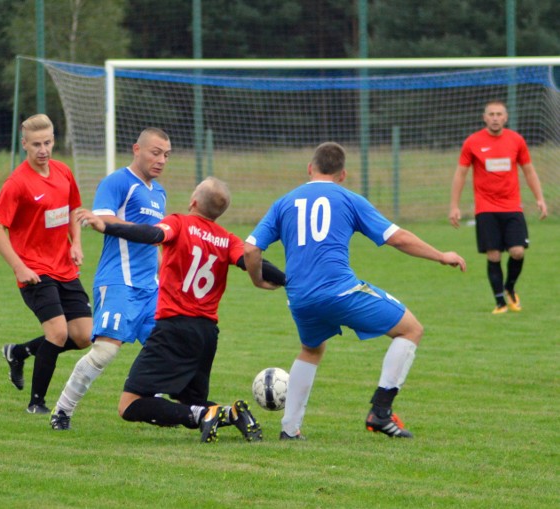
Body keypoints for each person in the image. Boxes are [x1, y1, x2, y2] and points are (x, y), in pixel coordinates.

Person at [244, 142, 466, 440]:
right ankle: (381, 412)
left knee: (311, 349)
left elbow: (250, 249)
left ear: (310, 169)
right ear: (343, 174)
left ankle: (289, 430)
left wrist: (258, 280)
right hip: (341, 292)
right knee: (411, 329)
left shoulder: (284, 202)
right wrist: (440, 255)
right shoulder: (349, 199)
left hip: (299, 298)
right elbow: (397, 238)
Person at [77, 177, 287, 443]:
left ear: (194, 201)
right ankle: (232, 414)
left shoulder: (178, 223)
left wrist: (106, 225)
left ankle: (203, 416)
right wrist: (288, 280)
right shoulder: (227, 239)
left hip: (173, 327)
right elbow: (254, 261)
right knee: (189, 400)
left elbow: (152, 234)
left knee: (129, 405)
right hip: (206, 334)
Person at [49, 128, 171, 431]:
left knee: (165, 347)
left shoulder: (159, 193)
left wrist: (165, 274)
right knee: (105, 350)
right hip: (118, 281)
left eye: (166, 155)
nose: (161, 160)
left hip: (150, 288)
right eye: (155, 152)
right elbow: (102, 220)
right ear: (137, 149)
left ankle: (152, 403)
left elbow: (155, 241)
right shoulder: (118, 182)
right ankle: (62, 410)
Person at [0, 113, 92, 414]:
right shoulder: (17, 183)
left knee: (84, 336)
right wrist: (19, 267)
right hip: (35, 271)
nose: (43, 149)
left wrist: (76, 243)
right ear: (24, 145)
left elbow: (74, 209)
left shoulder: (62, 172)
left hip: (64, 267)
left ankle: (19, 352)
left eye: (47, 142)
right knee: (58, 334)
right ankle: (37, 403)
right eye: (36, 144)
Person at [449, 100, 548, 314]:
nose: (495, 118)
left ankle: (510, 288)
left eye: (499, 114)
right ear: (485, 117)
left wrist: (539, 198)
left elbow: (529, 171)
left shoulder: (516, 140)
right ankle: (500, 302)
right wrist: (454, 206)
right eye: (491, 114)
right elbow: (460, 174)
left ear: (506, 117)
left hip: (512, 207)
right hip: (485, 208)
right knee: (493, 255)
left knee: (517, 251)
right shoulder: (473, 142)